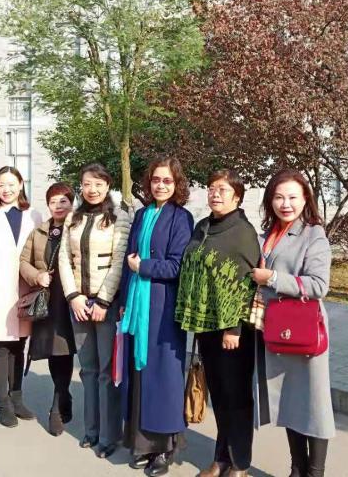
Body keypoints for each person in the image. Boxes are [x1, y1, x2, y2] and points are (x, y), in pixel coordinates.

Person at [176, 169, 261, 477]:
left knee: (236, 397)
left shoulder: (243, 232)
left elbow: (247, 284)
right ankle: (221, 458)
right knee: (220, 396)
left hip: (233, 330)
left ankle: (239, 464)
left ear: (237, 197)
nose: (215, 194)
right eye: (212, 188)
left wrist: (234, 328)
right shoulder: (203, 227)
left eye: (223, 190)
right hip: (206, 325)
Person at [251, 169, 335, 477]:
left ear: (305, 199)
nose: (285, 204)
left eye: (292, 197)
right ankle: (297, 468)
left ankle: (315, 472)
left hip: (305, 330)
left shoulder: (314, 234)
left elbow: (318, 285)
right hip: (275, 329)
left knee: (314, 404)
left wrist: (273, 278)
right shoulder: (267, 234)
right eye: (279, 197)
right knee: (289, 402)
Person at [120, 157, 194, 477]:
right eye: (155, 180)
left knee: (163, 379)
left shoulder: (181, 217)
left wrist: (144, 267)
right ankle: (143, 444)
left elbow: (178, 265)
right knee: (140, 377)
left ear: (177, 184)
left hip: (163, 309)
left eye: (167, 180)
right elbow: (129, 259)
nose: (160, 185)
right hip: (138, 306)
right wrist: (124, 300)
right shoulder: (142, 214)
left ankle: (164, 448)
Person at [58, 163, 131, 459]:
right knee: (87, 369)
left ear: (107, 186)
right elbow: (64, 258)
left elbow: (119, 260)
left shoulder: (119, 217)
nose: (92, 189)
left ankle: (109, 435)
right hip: (78, 303)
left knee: (106, 371)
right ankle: (91, 430)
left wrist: (103, 301)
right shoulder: (73, 217)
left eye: (98, 184)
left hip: (105, 306)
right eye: (87, 183)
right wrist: (73, 296)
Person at [0, 166, 41, 428]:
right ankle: (3, 404)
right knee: (1, 346)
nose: (7, 189)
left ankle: (17, 398)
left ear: (21, 184)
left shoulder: (33, 215)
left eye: (11, 184)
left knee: (19, 345)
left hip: (26, 290)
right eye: (1, 184)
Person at [20, 182, 77, 436]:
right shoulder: (40, 232)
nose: (58, 206)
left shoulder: (77, 228)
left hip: (70, 299)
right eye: (53, 201)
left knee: (65, 350)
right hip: (48, 299)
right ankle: (63, 395)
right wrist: (37, 275)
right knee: (53, 352)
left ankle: (56, 406)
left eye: (63, 201)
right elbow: (24, 261)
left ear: (72, 203)